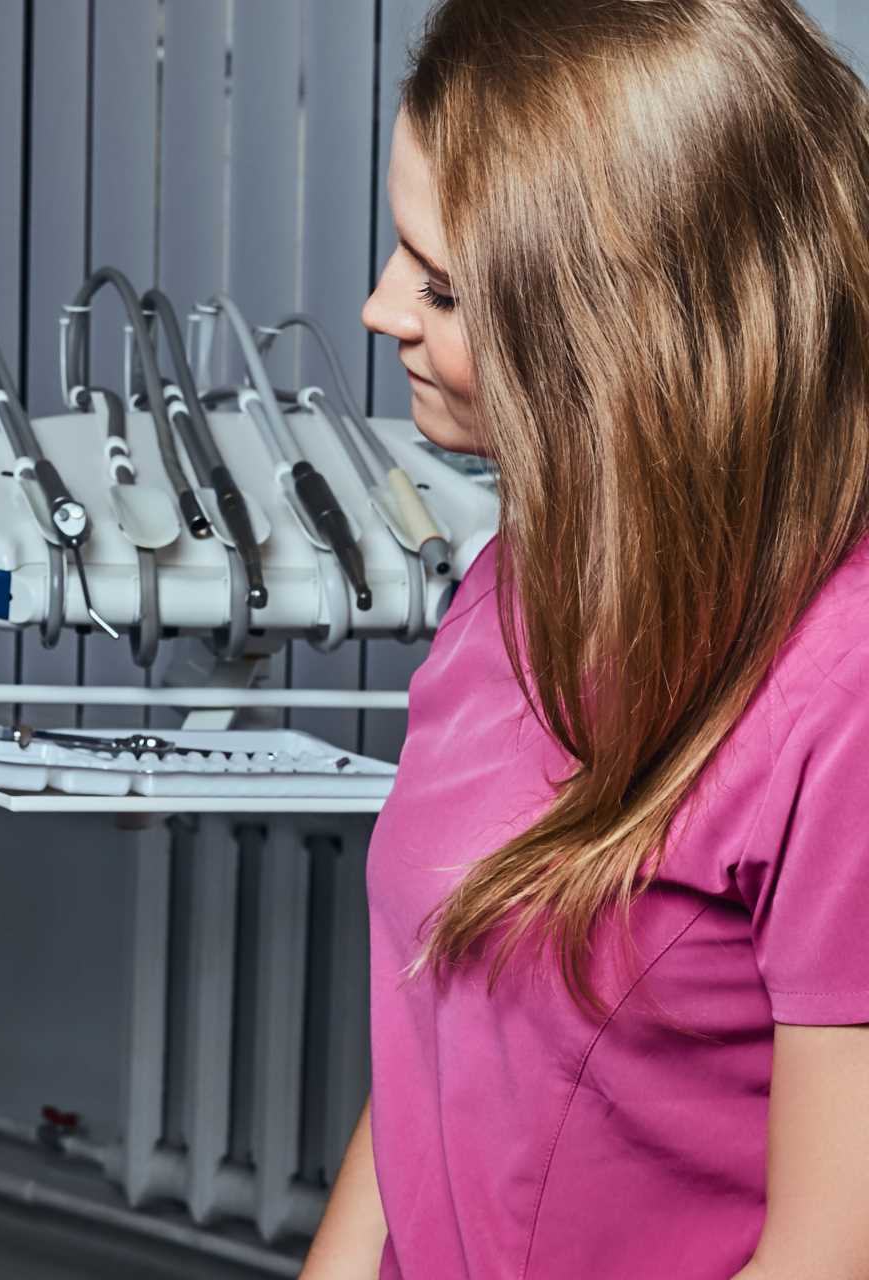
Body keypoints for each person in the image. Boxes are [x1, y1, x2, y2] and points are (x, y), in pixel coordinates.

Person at [300, 1, 869, 1276]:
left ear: (622, 325)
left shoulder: (844, 696)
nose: (381, 309)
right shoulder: (515, 585)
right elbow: (431, 1050)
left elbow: (833, 1253)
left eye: (442, 286)